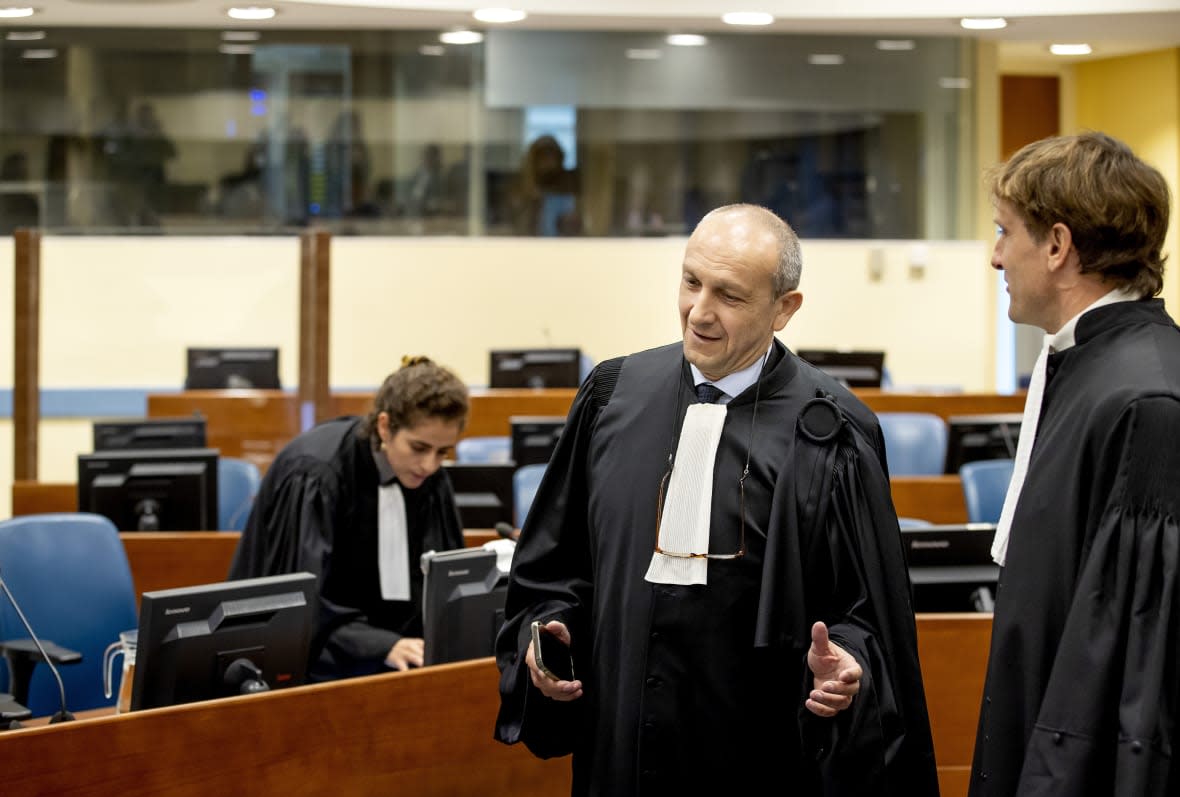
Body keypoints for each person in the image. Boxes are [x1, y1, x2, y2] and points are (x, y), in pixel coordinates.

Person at [494, 203, 939, 795]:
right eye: (690, 281)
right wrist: (549, 635)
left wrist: (851, 663)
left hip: (757, 753)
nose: (698, 312)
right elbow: (552, 568)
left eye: (728, 296)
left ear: (785, 308)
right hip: (619, 749)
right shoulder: (612, 397)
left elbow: (866, 612)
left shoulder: (832, 432)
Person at [969, 132, 1180, 796]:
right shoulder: (1083, 365)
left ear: (1057, 246)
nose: (996, 257)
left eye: (1006, 233)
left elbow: (1137, 679)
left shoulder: (1146, 400)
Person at [228, 356, 469, 681]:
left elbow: (439, 580)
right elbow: (298, 602)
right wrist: (378, 645)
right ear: (385, 426)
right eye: (419, 447)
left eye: (443, 452)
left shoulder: (428, 476)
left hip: (396, 660)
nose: (429, 465)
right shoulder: (317, 473)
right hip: (317, 664)